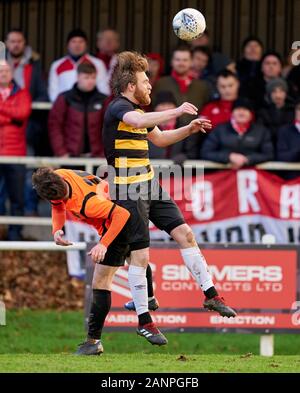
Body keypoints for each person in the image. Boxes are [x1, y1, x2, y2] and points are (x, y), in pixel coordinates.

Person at [102, 51, 236, 340]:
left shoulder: (140, 113)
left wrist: (188, 128)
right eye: (144, 80)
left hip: (149, 184)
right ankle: (144, 321)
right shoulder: (119, 108)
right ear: (129, 87)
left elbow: (160, 138)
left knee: (185, 233)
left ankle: (211, 294)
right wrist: (176, 111)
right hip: (126, 189)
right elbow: (136, 122)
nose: (149, 85)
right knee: (140, 255)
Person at [32, 167, 165, 355]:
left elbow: (121, 216)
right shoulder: (59, 175)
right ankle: (148, 301)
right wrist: (57, 229)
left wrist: (103, 244)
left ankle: (93, 342)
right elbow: (57, 206)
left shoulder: (87, 204)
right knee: (137, 261)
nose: (58, 202)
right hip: (129, 210)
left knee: (101, 282)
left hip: (118, 225)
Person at [6, 28, 49, 216]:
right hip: (4, 132)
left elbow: (42, 94)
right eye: (12, 41)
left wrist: (24, 112)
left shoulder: (34, 65)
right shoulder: (1, 63)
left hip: (28, 128)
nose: (16, 44)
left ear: (24, 43)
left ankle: (29, 211)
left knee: (28, 172)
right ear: (7, 43)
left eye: (19, 41)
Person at [0, 61, 32, 240]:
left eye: (6, 70)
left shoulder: (22, 93)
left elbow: (22, 113)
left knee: (17, 198)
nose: (3, 73)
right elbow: (16, 114)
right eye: (0, 71)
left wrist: (3, 110)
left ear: (11, 73)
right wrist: (10, 115)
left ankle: (15, 235)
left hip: (15, 154)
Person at [48, 62, 107, 157]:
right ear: (78, 77)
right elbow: (55, 126)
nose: (90, 81)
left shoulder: (104, 100)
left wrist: (103, 154)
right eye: (86, 77)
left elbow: (109, 129)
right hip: (70, 157)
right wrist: (61, 152)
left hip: (97, 157)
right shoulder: (64, 98)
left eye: (93, 77)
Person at [200, 98, 274, 167]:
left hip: (252, 176)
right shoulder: (220, 130)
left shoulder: (261, 131)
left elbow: (269, 154)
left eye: (245, 110)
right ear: (232, 113)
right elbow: (206, 152)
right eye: (238, 109)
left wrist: (248, 159)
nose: (241, 113)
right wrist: (229, 157)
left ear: (251, 114)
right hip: (224, 176)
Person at [151, 45, 210, 125]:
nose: (181, 63)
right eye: (177, 60)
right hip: (166, 133)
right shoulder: (161, 83)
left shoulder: (202, 86)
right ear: (172, 61)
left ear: (191, 62)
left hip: (195, 133)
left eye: (185, 60)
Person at [48, 28, 109, 102]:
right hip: (65, 108)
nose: (77, 45)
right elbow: (53, 92)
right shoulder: (57, 65)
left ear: (86, 45)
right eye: (73, 41)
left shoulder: (97, 64)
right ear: (67, 45)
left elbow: (104, 90)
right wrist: (61, 106)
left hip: (91, 108)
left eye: (81, 41)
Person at [257, 78, 294, 145]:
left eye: (281, 91)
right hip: (269, 143)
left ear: (286, 93)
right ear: (269, 94)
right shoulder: (263, 111)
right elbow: (261, 132)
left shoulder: (293, 110)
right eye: (274, 92)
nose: (278, 95)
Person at [276, 100, 300, 179]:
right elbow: (281, 156)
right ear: (295, 112)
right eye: (299, 109)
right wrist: (297, 151)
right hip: (291, 180)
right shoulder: (284, 131)